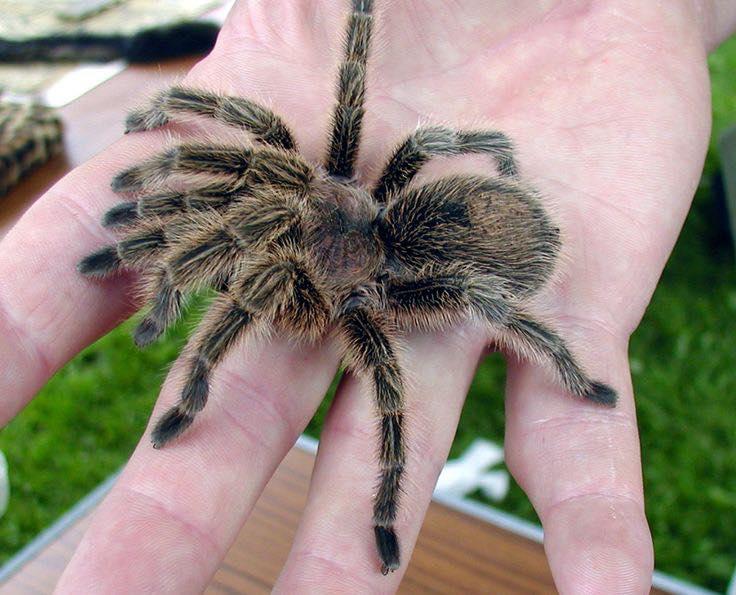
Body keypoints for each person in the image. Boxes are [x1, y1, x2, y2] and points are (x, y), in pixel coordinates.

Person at [1, 1, 734, 593]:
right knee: (262, 161)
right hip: (400, 221)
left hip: (406, 268)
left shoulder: (340, 285)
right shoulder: (324, 178)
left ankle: (226, 412)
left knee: (394, 325)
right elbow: (276, 140)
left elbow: (267, 271)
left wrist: (181, 348)